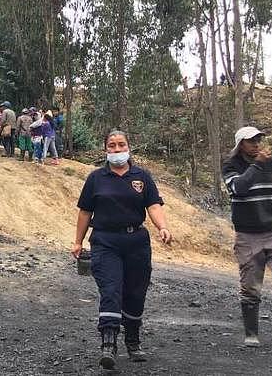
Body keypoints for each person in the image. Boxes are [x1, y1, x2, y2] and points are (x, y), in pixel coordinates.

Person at [71, 130, 172, 370]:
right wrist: (78, 241)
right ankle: (109, 344)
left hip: (136, 241)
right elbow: (85, 212)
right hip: (105, 241)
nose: (117, 150)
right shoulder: (96, 178)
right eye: (112, 146)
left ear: (128, 147)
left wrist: (163, 227)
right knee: (111, 289)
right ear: (105, 149)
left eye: (121, 145)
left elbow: (153, 205)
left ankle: (133, 341)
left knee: (136, 292)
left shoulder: (142, 176)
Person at [222, 126, 272, 347]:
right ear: (240, 144)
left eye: (259, 139)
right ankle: (251, 334)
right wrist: (257, 165)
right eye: (251, 141)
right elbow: (238, 188)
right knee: (250, 286)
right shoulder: (231, 166)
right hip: (247, 234)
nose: (256, 144)